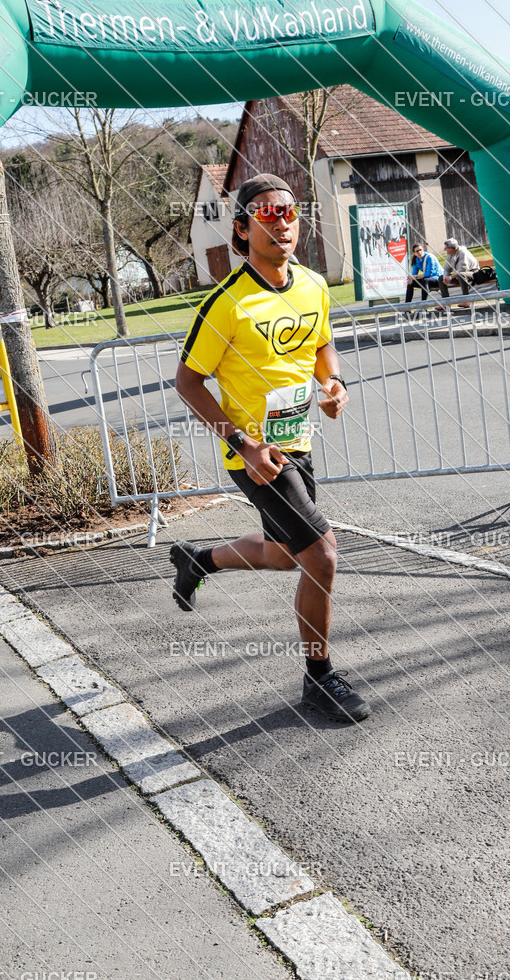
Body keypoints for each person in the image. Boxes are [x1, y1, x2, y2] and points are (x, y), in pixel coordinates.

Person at [171, 173, 370, 724]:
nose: (281, 221)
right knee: (321, 555)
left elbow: (321, 344)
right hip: (255, 456)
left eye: (288, 211)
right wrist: (243, 442)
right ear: (241, 228)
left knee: (286, 555)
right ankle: (319, 678)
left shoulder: (313, 285)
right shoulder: (226, 303)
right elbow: (188, 382)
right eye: (265, 212)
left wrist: (334, 384)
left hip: (297, 443)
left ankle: (198, 559)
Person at [439, 238, 479, 305]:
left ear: (451, 248)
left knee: (461, 275)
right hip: (460, 275)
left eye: (446, 248)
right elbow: (446, 268)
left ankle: (466, 300)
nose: (445, 250)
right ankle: (446, 303)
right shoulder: (450, 254)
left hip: (473, 274)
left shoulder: (462, 252)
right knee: (441, 278)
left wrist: (450, 277)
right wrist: (445, 278)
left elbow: (462, 269)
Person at [405, 242, 442, 314]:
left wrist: (415, 277)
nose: (419, 252)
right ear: (414, 253)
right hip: (428, 280)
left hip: (438, 279)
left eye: (420, 250)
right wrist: (411, 278)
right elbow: (414, 274)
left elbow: (429, 274)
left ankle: (423, 306)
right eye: (417, 251)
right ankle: (407, 307)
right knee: (410, 283)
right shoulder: (416, 259)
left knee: (425, 280)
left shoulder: (429, 257)